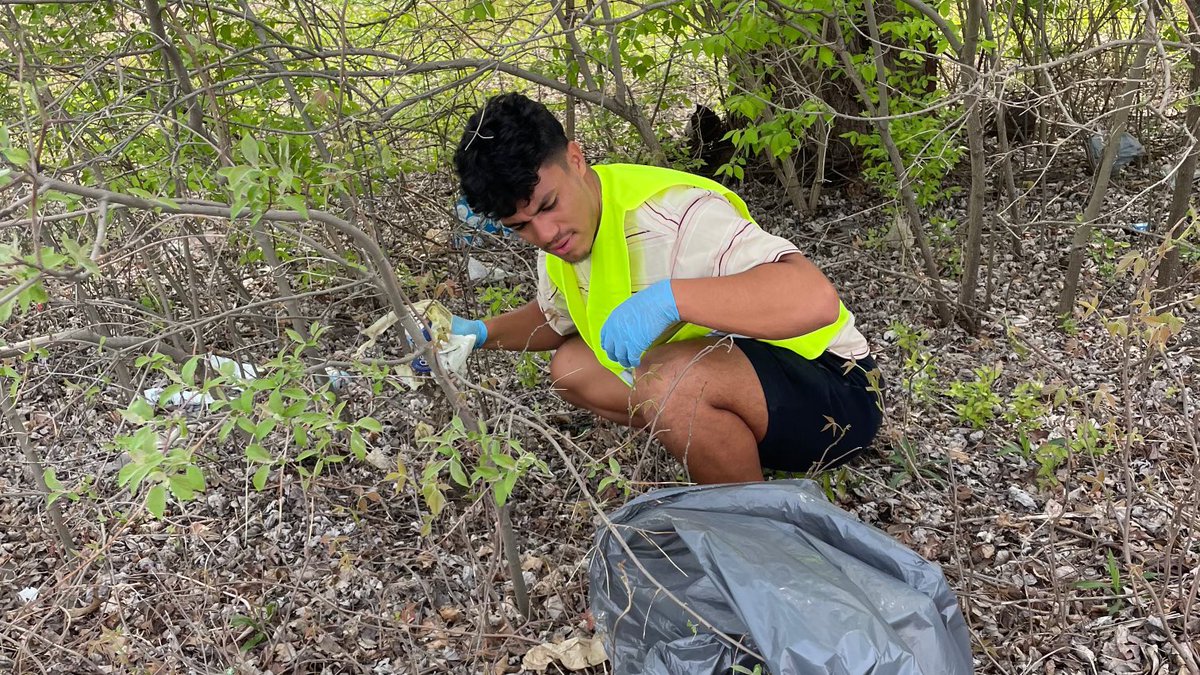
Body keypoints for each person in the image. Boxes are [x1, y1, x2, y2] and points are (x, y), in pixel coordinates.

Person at [449, 92, 882, 484]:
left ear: (576, 160)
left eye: (548, 205)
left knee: (669, 379)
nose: (544, 233)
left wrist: (674, 299)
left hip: (838, 390)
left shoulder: (676, 216)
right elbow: (555, 318)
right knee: (572, 369)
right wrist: (478, 334)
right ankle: (721, 441)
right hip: (751, 387)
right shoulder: (562, 237)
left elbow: (814, 297)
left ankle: (752, 529)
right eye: (520, 226)